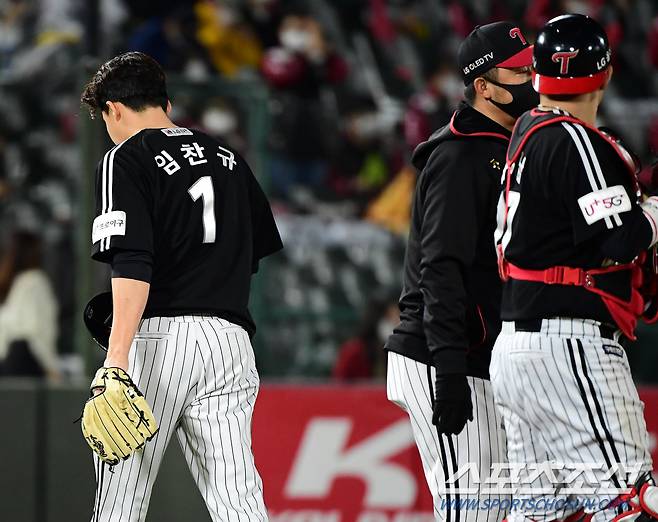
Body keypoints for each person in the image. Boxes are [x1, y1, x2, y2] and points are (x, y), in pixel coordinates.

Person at [80, 51, 282, 522]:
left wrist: (116, 358)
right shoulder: (229, 156)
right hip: (230, 341)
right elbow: (249, 253)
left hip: (159, 340)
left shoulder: (124, 158)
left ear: (113, 109)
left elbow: (132, 262)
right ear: (165, 101)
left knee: (120, 502)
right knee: (239, 500)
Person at [493, 14, 658, 522]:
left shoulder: (528, 132)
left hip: (517, 348)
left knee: (541, 514)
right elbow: (623, 237)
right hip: (567, 346)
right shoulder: (573, 138)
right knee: (630, 504)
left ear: (539, 76)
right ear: (605, 76)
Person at [384, 21, 538, 521]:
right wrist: (448, 368)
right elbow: (441, 268)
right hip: (445, 354)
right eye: (517, 72)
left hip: (481, 354)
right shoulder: (458, 154)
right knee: (473, 511)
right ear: (483, 86)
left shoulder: (510, 144)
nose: (530, 78)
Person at [0, 230, 59, 380]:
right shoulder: (35, 282)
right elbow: (37, 330)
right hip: (28, 363)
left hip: (7, 363)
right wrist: (51, 367)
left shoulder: (9, 284)